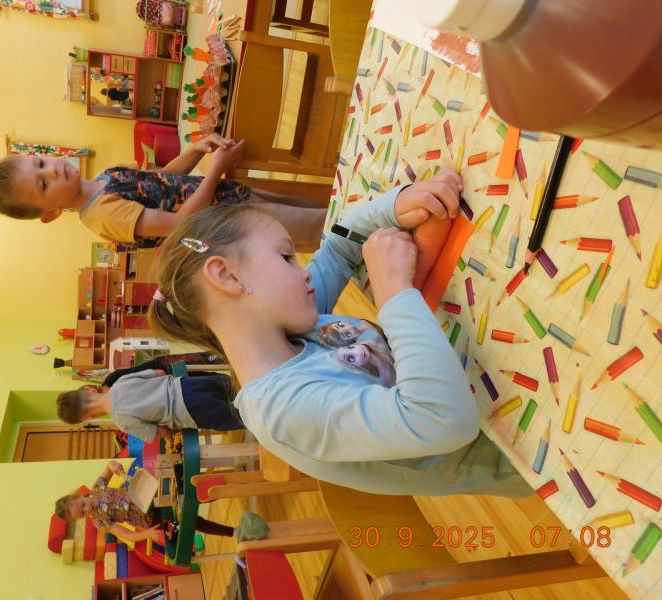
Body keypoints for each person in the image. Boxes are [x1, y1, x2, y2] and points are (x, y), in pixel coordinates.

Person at [147, 168, 533, 498]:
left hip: (493, 379)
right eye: (285, 257)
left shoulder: (288, 325)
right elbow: (442, 419)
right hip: (523, 449)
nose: (302, 272)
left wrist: (397, 205)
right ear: (228, 276)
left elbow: (338, 247)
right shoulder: (282, 410)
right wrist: (394, 291)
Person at [0, 134, 327, 251]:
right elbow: (181, 223)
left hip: (232, 196)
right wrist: (215, 169)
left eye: (41, 162)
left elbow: (163, 179)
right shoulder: (102, 215)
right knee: (323, 229)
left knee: (316, 208)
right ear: (51, 213)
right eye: (43, 184)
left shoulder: (106, 175)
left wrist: (195, 151)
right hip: (234, 224)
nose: (53, 170)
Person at [54, 460, 235, 544]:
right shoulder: (99, 521)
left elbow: (109, 466)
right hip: (151, 519)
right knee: (191, 522)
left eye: (83, 505)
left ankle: (228, 485)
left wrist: (115, 465)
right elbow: (126, 533)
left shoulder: (97, 488)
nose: (87, 509)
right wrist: (146, 534)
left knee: (190, 493)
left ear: (80, 496)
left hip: (150, 495)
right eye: (83, 514)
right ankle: (233, 532)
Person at [56, 366, 244, 443]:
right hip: (186, 385)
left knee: (242, 416)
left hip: (188, 411)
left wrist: (174, 428)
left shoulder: (122, 421)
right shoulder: (120, 382)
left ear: (87, 418)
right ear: (89, 390)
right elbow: (159, 373)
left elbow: (161, 432)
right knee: (239, 385)